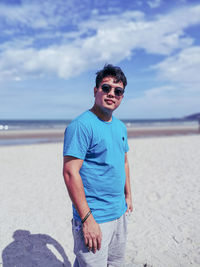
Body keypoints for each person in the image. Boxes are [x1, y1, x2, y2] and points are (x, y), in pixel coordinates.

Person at [63, 64, 133, 267]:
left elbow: (124, 162)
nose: (112, 93)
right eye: (106, 88)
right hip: (95, 216)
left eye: (118, 91)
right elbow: (70, 173)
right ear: (96, 91)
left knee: (115, 263)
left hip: (119, 212)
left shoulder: (120, 126)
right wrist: (87, 219)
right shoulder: (81, 126)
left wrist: (128, 195)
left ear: (122, 96)